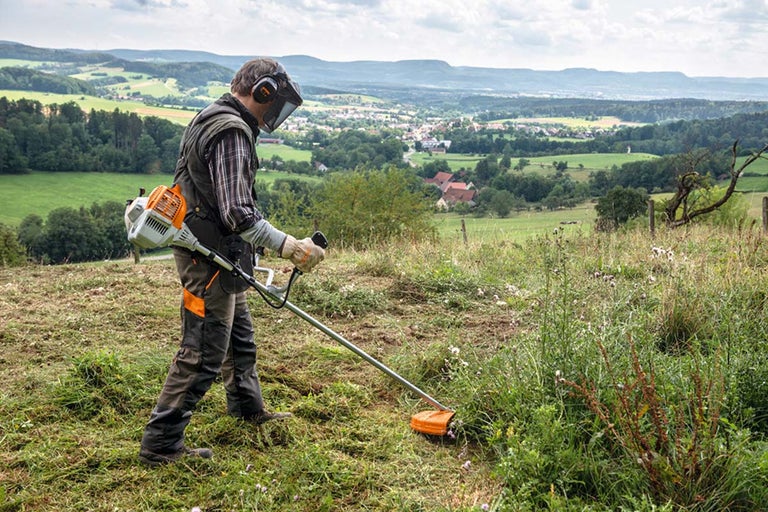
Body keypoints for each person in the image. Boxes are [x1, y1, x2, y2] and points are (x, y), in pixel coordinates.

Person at [138, 58, 325, 466]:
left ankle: (245, 407)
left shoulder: (215, 114)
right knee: (203, 350)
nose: (276, 112)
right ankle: (161, 444)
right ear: (263, 92)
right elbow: (238, 214)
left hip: (220, 253)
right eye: (275, 101)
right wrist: (291, 246)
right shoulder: (232, 131)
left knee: (239, 338)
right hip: (207, 257)